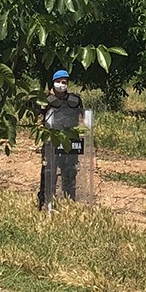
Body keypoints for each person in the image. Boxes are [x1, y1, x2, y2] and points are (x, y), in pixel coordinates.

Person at [40, 69, 85, 206]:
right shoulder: (45, 101)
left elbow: (83, 119)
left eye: (64, 82)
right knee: (49, 174)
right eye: (58, 82)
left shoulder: (75, 100)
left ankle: (69, 203)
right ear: (53, 83)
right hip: (52, 143)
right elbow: (39, 122)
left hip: (71, 143)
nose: (61, 84)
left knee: (70, 173)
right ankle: (46, 203)